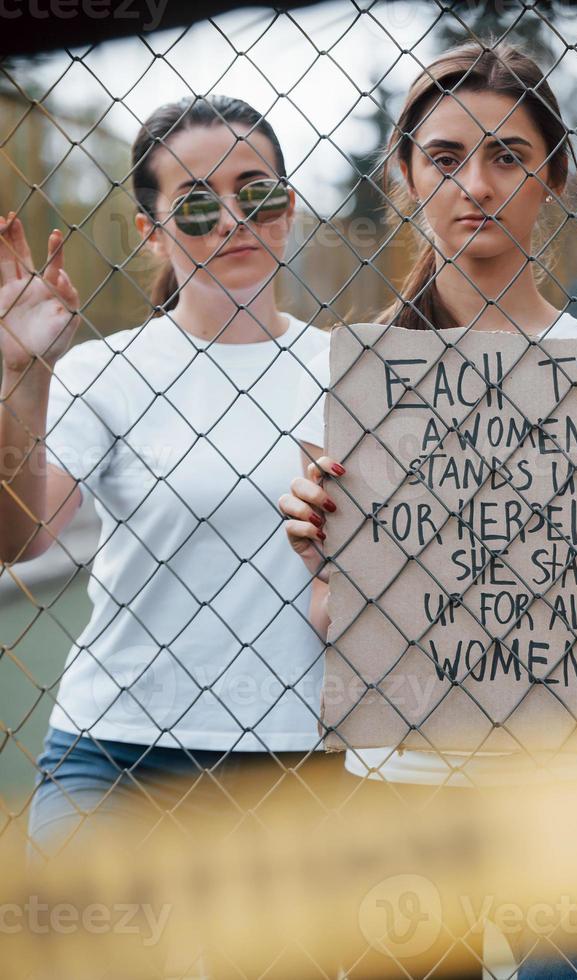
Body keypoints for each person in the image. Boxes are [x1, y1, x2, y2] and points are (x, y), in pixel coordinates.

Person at [276, 42, 577, 979]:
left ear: (552, 178)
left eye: (507, 157)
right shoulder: (358, 375)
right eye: (445, 158)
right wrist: (320, 558)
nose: (476, 185)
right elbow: (335, 622)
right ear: (407, 178)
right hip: (407, 790)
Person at [0, 95, 342, 867]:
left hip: (301, 754)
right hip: (120, 753)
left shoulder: (348, 369)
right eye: (195, 206)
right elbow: (19, 538)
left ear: (287, 208)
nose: (232, 219)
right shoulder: (108, 371)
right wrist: (21, 377)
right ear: (151, 232)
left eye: (256, 192)